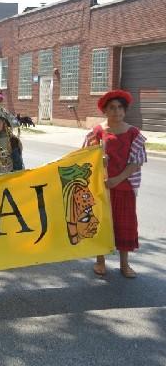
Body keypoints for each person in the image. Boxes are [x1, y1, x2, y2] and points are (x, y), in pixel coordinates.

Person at [83, 89, 147, 278]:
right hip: (102, 189)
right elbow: (86, 157)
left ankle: (124, 264)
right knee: (102, 224)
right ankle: (100, 261)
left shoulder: (133, 133)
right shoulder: (98, 132)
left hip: (124, 188)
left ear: (125, 110)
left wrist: (117, 179)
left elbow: (137, 162)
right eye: (112, 108)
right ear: (105, 110)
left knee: (124, 225)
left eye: (120, 108)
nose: (116, 111)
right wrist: (97, 162)